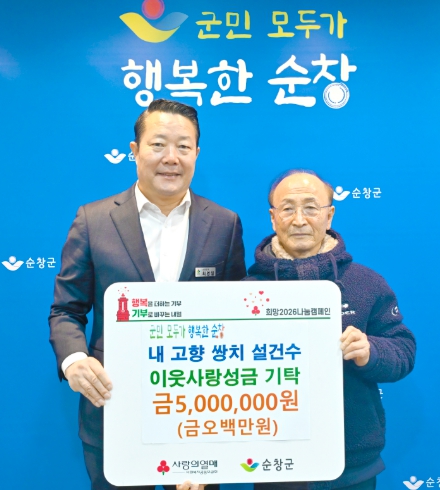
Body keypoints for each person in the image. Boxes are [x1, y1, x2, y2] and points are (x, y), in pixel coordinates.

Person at [49, 99, 246, 490]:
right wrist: (74, 360)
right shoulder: (93, 220)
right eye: (158, 145)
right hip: (115, 406)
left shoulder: (224, 224)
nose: (171, 158)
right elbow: (66, 309)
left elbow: (237, 319)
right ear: (135, 150)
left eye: (183, 147)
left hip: (199, 414)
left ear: (196, 153)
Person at [244, 169, 416, 490]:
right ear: (273, 218)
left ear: (329, 215)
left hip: (352, 467)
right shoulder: (244, 292)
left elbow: (404, 351)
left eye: (311, 208)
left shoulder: (366, 283)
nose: (299, 220)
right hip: (273, 463)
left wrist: (371, 351)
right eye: (287, 208)